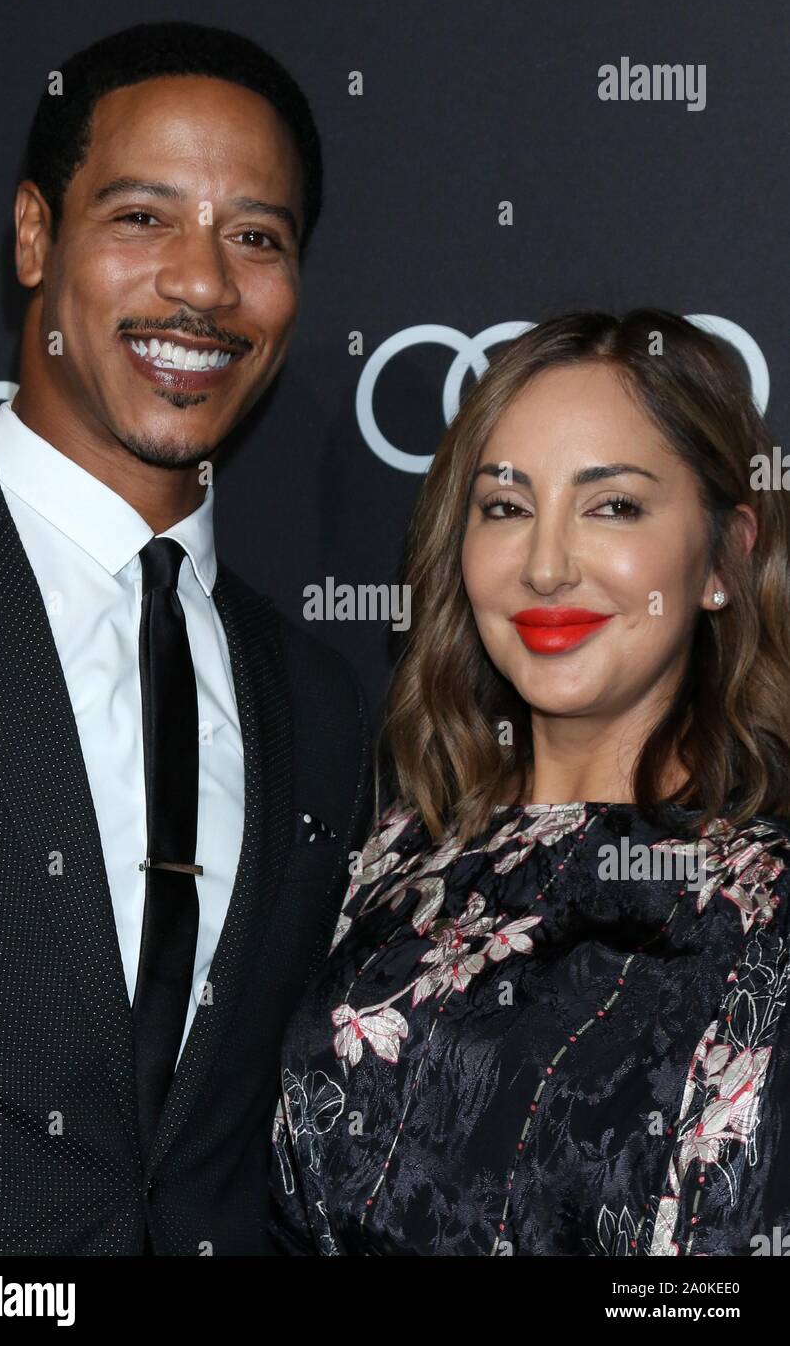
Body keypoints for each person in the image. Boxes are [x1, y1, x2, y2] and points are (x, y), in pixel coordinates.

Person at [0, 21, 372, 1256]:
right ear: (33, 235)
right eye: (142, 217)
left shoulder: (323, 703)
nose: (203, 283)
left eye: (256, 237)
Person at [270, 309, 790, 1256]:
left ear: (723, 558)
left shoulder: (767, 903)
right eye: (506, 508)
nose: (546, 566)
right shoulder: (395, 855)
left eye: (613, 506)